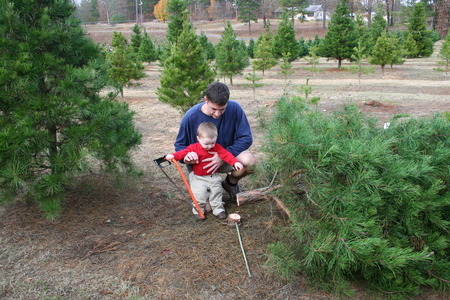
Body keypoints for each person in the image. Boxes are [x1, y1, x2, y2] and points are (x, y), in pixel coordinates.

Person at [174, 82, 256, 203]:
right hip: (201, 165)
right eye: (214, 109)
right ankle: (204, 191)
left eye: (222, 109)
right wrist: (186, 157)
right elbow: (179, 145)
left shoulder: (235, 108)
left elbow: (246, 137)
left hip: (226, 157)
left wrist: (223, 156)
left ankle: (230, 184)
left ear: (227, 102)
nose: (217, 114)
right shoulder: (190, 116)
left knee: (250, 162)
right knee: (206, 208)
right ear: (206, 99)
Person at [166, 122, 244, 220]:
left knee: (217, 192)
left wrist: (235, 163)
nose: (210, 146)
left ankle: (218, 209)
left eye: (213, 143)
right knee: (199, 194)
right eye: (206, 144)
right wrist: (173, 156)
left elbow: (227, 155)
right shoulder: (193, 148)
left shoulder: (217, 147)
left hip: (213, 176)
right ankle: (198, 210)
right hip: (199, 177)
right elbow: (182, 153)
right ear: (198, 139)